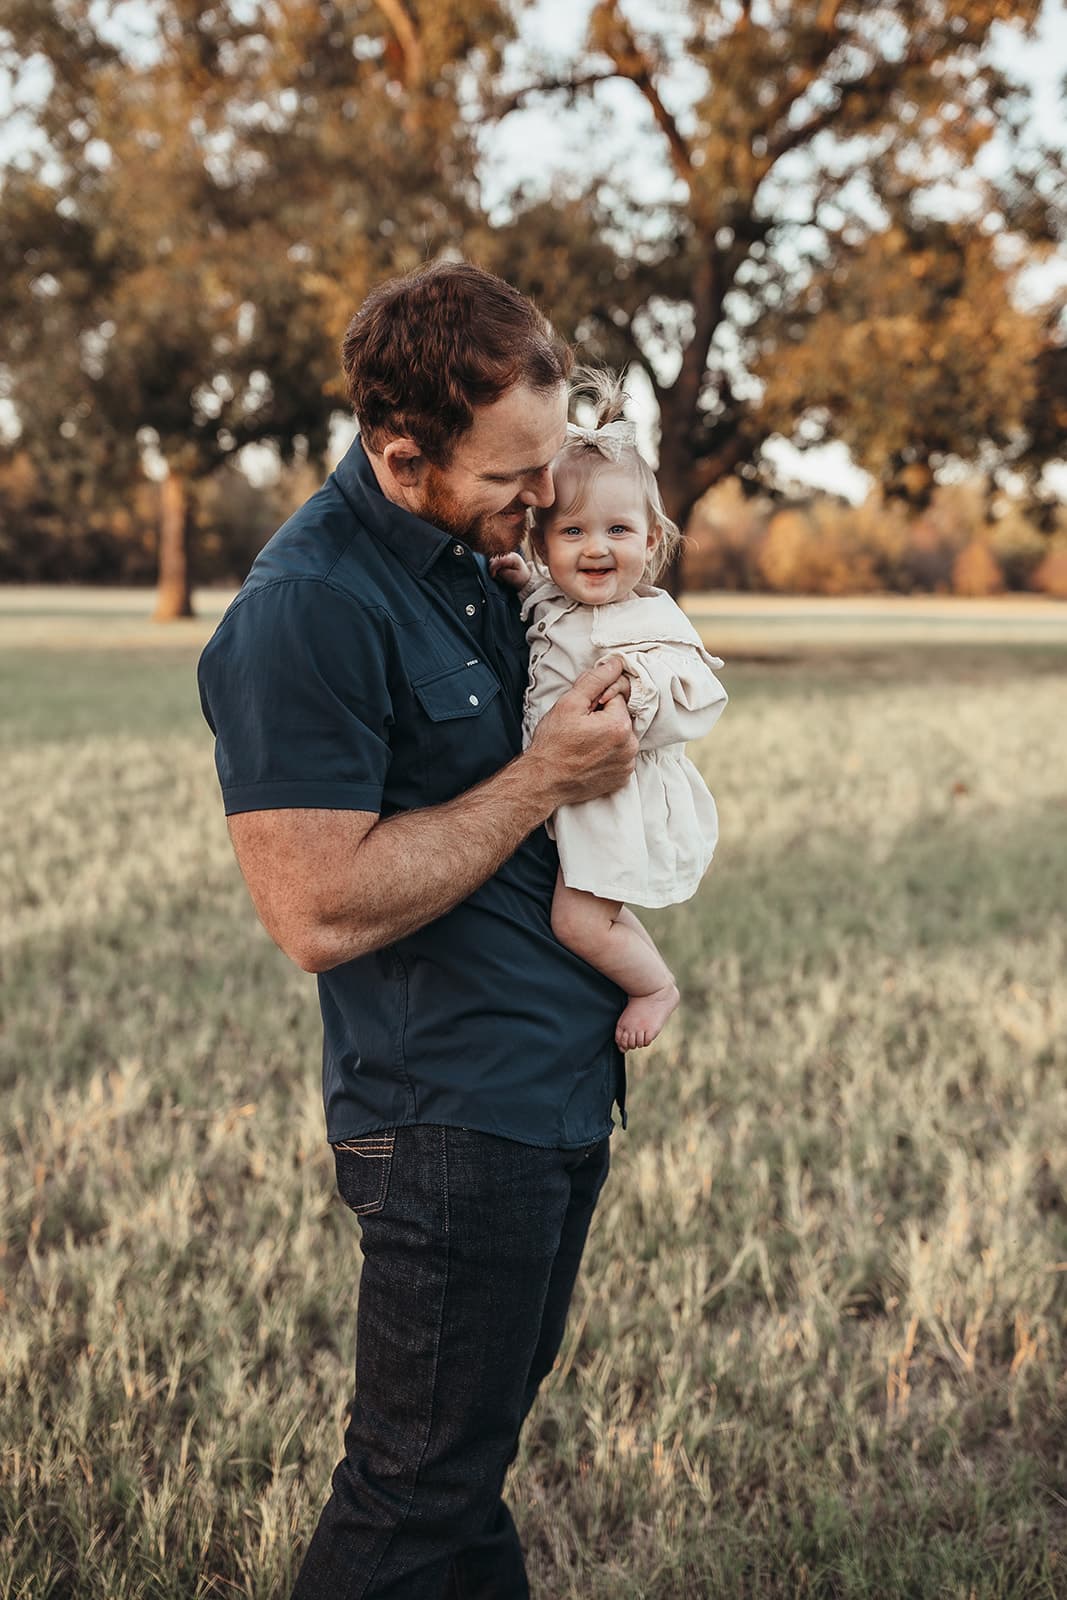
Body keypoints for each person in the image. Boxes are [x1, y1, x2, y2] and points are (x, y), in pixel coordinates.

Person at [196, 260, 639, 1600]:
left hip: (552, 1094)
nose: (540, 500)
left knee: (459, 1482)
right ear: (400, 453)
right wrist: (542, 780)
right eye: (514, 477)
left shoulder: (476, 560)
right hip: (447, 1123)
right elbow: (314, 909)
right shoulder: (305, 610)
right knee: (407, 1500)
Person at [490, 370, 728, 1053]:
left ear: (651, 542)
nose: (594, 548)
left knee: (578, 921)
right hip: (568, 790)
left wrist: (637, 692)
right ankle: (642, 976)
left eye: (617, 530)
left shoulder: (649, 616)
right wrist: (523, 582)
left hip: (614, 796)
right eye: (571, 532)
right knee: (592, 910)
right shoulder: (557, 596)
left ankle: (653, 986)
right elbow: (548, 610)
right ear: (542, 546)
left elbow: (698, 695)